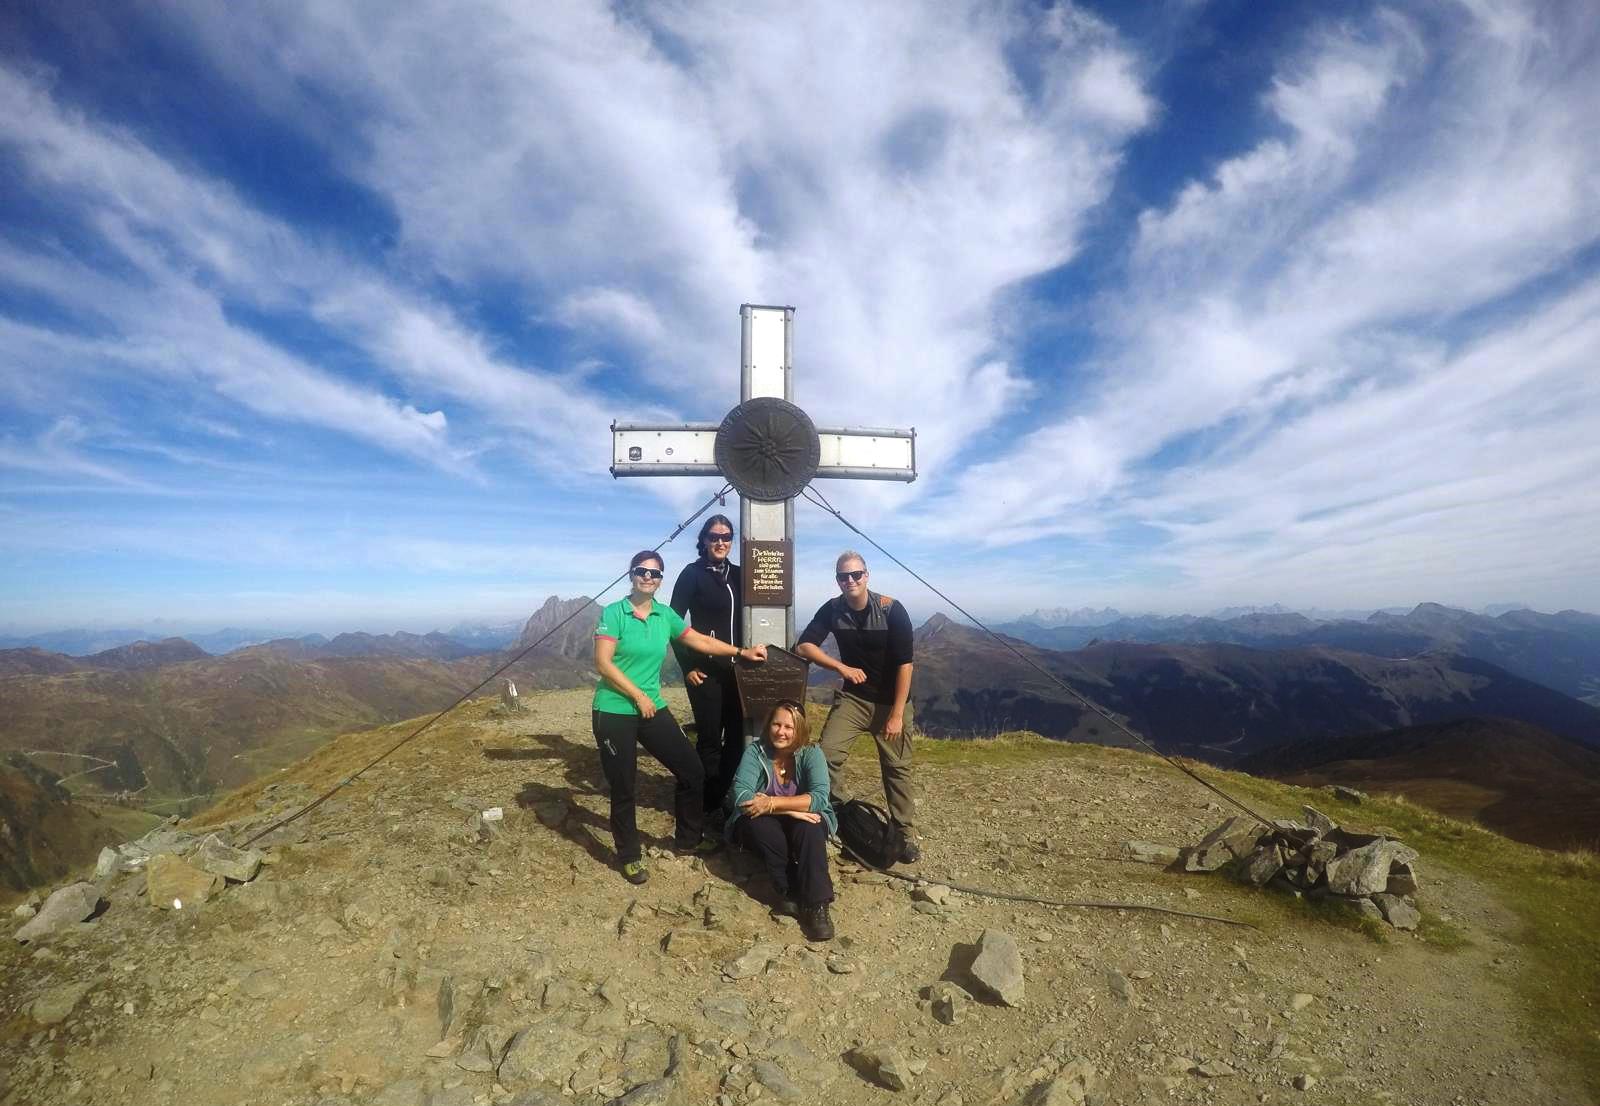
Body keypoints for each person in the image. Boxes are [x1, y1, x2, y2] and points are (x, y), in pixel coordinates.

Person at [593, 549, 767, 884]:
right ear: (631, 575)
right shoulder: (614, 613)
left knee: (692, 770)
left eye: (655, 573)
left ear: (660, 581)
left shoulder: (664, 615)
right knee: (624, 785)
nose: (648, 577)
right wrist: (638, 695)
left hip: (651, 708)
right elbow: (603, 663)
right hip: (614, 711)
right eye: (642, 571)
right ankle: (629, 856)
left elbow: (698, 640)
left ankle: (688, 840)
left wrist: (740, 652)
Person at [794, 550, 920, 863]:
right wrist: (840, 668)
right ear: (837, 580)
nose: (850, 580)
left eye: (856, 574)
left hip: (891, 702)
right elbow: (804, 645)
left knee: (897, 769)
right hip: (854, 699)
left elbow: (906, 665)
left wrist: (896, 714)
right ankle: (844, 816)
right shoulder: (833, 609)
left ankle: (904, 834)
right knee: (826, 756)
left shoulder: (891, 610)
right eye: (843, 576)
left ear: (867, 575)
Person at [727, 700, 837, 941]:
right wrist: (788, 810)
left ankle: (817, 905)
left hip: (797, 817)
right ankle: (790, 891)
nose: (781, 732)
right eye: (777, 724)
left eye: (789, 727)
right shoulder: (756, 751)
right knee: (762, 827)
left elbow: (819, 798)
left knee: (810, 828)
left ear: (800, 730)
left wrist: (772, 803)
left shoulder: (812, 753)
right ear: (768, 726)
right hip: (763, 819)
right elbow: (742, 796)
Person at [669, 514, 745, 832]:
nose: (720, 542)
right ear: (703, 540)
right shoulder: (691, 575)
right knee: (710, 740)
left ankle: (718, 795)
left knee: (739, 739)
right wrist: (688, 668)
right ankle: (703, 804)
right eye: (714, 537)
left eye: (726, 536)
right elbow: (672, 625)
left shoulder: (740, 575)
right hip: (706, 671)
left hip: (739, 672)